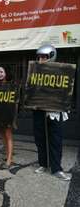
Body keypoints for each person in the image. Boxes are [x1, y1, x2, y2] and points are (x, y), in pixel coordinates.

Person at [33, 44, 71, 181]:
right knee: (40, 138)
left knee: (56, 139)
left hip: (54, 110)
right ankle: (43, 163)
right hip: (39, 110)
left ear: (51, 56)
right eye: (40, 57)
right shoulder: (35, 72)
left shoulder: (60, 71)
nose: (41, 59)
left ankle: (56, 168)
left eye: (44, 57)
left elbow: (65, 90)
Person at [0, 66, 14, 168]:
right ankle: (7, 155)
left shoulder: (10, 85)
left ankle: (10, 159)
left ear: (6, 73)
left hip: (7, 114)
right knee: (2, 134)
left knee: (8, 135)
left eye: (1, 72)